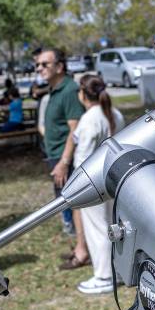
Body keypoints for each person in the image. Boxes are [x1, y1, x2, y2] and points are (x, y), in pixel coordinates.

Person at [68, 75, 124, 294]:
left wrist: (76, 184)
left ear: (83, 93)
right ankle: (117, 271)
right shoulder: (115, 113)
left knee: (97, 228)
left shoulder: (90, 118)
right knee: (112, 226)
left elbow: (82, 157)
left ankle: (103, 276)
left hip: (92, 181)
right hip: (114, 177)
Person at [37, 48, 84, 236]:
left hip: (65, 159)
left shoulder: (69, 90)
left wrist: (64, 162)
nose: (39, 68)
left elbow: (75, 129)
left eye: (44, 64)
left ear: (59, 67)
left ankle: (82, 246)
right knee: (63, 200)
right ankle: (77, 242)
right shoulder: (55, 90)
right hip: (55, 155)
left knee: (73, 202)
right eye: (37, 65)